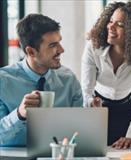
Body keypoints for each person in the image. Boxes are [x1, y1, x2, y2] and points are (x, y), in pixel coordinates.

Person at [81, 1, 131, 149]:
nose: (111, 26)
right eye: (110, 21)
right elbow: (86, 89)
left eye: (120, 24)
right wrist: (91, 102)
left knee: (122, 151)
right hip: (98, 107)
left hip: (127, 109)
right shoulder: (94, 47)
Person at [0, 14, 83, 147]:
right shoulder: (3, 81)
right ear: (31, 52)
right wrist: (19, 114)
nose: (61, 50)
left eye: (59, 42)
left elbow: (80, 132)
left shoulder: (68, 80)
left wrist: (92, 116)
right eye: (53, 45)